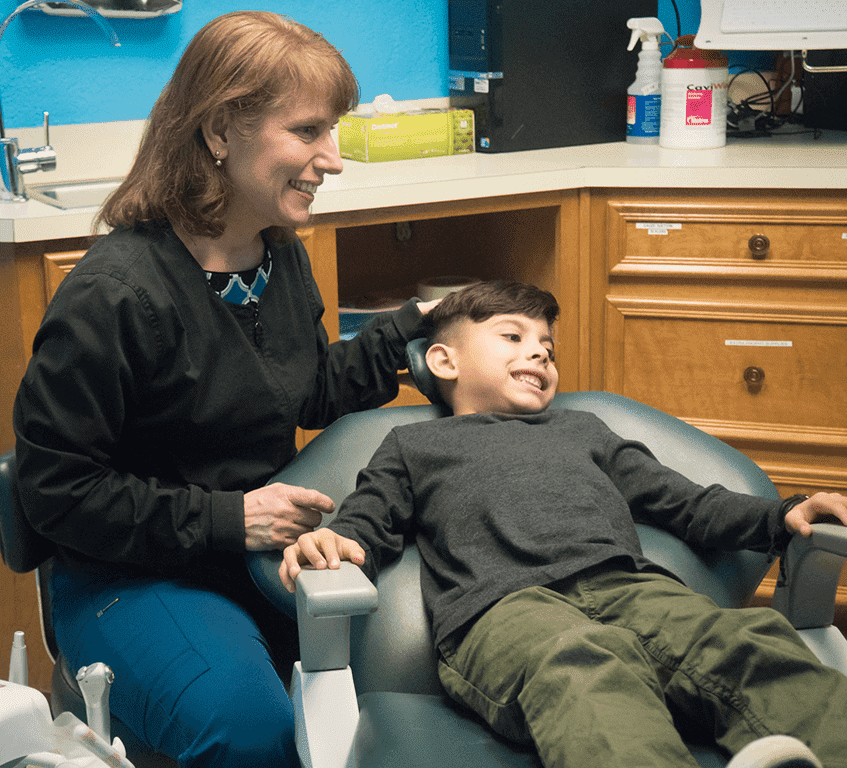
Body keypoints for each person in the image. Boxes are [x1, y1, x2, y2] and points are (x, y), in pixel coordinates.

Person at [13, 11, 436, 766]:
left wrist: (416, 328)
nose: (331, 160)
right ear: (218, 134)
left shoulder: (276, 254)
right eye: (307, 132)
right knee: (252, 735)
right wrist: (228, 517)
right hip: (131, 578)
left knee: (414, 686)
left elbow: (299, 390)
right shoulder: (113, 294)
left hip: (254, 554)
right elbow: (58, 494)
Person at [281, 280, 847, 768]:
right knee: (583, 666)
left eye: (548, 348)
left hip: (631, 587)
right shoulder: (414, 444)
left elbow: (688, 503)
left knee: (745, 640)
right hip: (504, 613)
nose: (540, 355)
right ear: (444, 361)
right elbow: (370, 518)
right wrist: (338, 541)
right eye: (513, 337)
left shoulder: (584, 430)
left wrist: (782, 514)